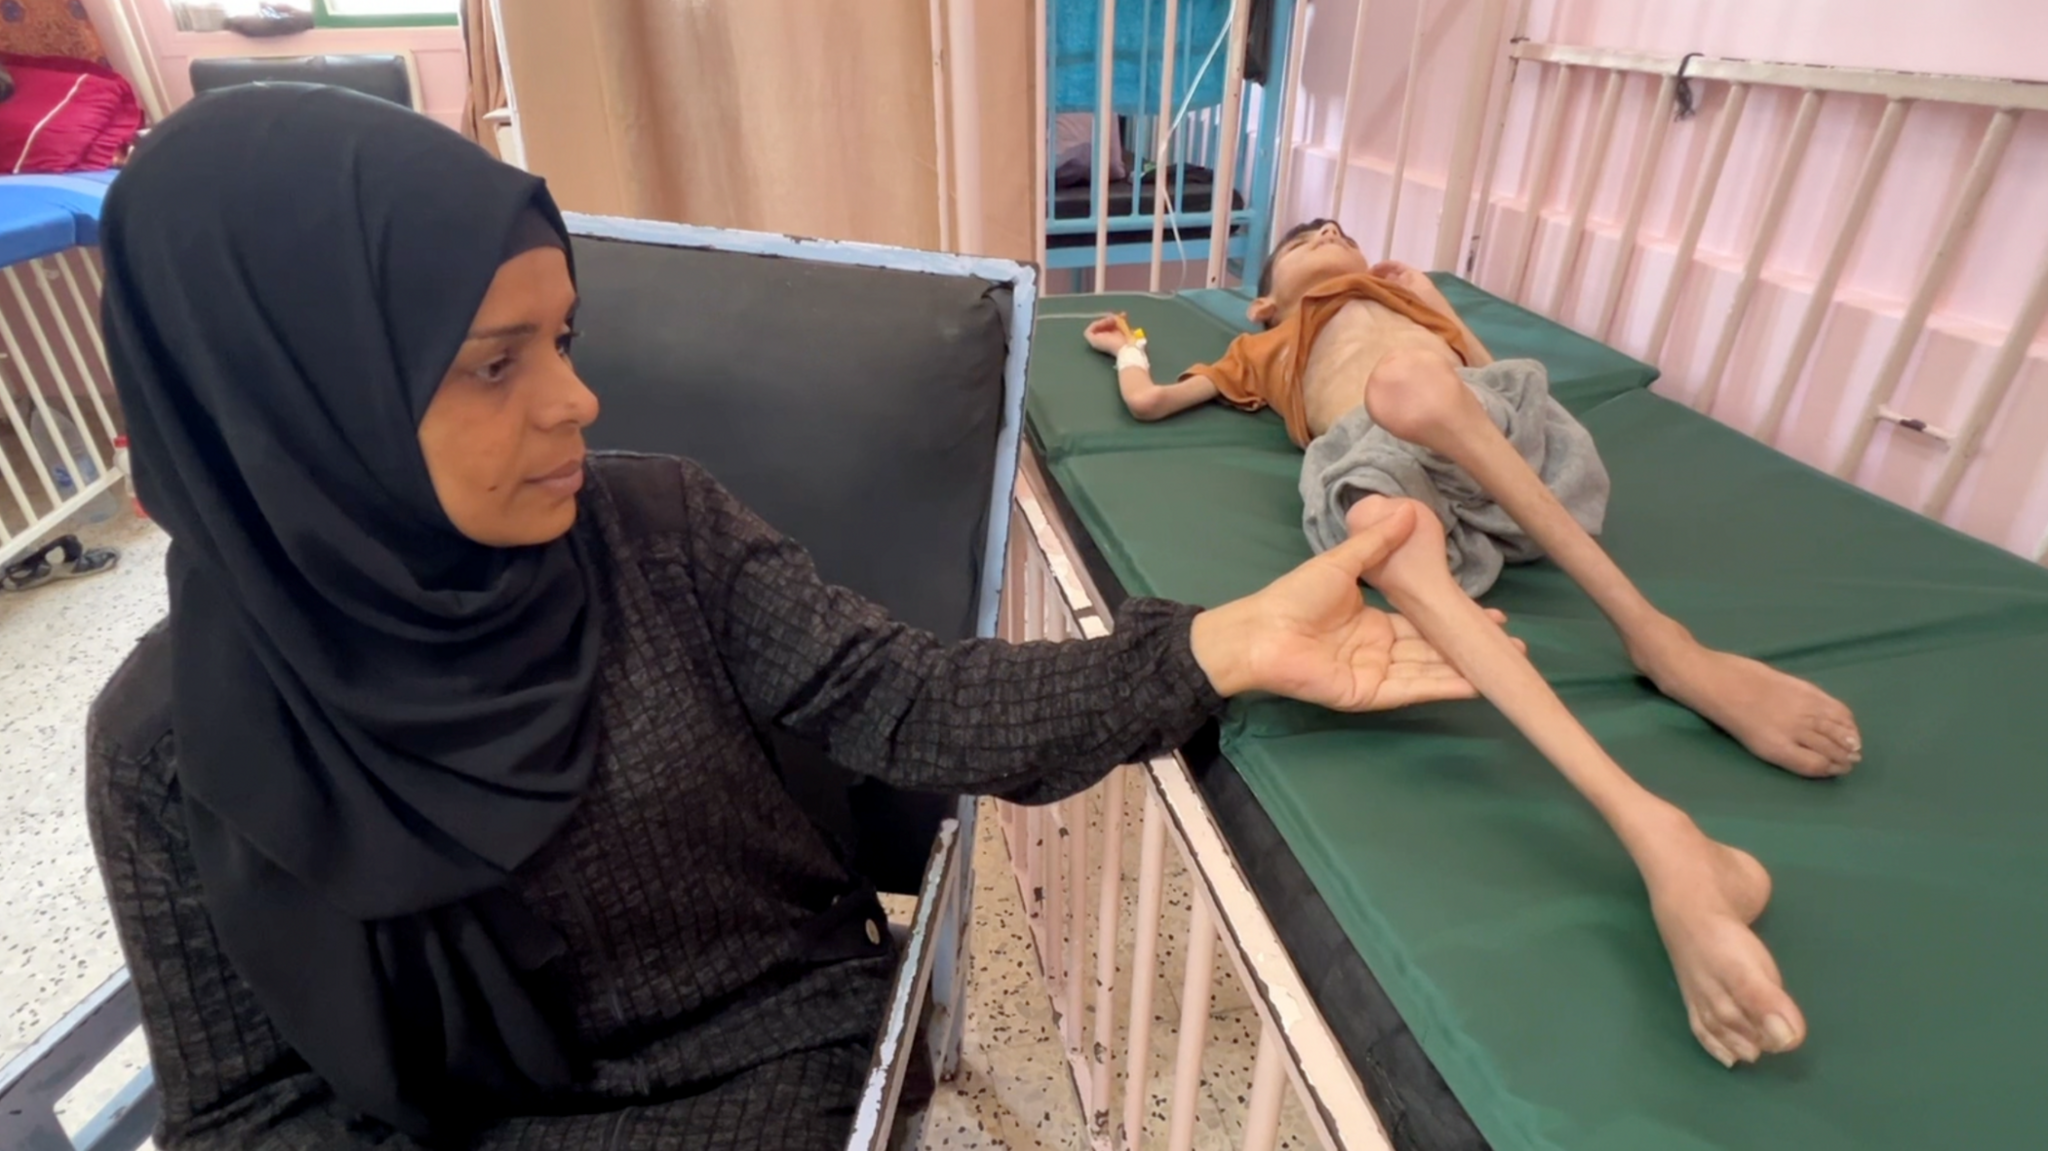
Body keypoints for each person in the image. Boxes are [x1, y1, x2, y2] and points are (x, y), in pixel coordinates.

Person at [86, 86, 1490, 1150]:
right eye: (493, 364)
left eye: (562, 339)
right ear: (284, 406)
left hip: (769, 1065)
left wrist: (1211, 647)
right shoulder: (164, 742)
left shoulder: (661, 535)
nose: (575, 402)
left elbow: (916, 700)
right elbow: (244, 1111)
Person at [1083, 218, 1860, 1068]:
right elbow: (1151, 400)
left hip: (1495, 446)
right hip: (1381, 456)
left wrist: (1432, 301)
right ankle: (1655, 828)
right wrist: (1125, 346)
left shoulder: (1403, 300)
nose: (1327, 234)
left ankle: (1666, 644)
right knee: (1382, 520)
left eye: (1337, 230)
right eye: (1306, 240)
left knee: (1421, 386)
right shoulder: (1262, 348)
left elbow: (1499, 383)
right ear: (1266, 301)